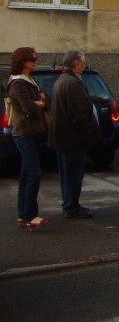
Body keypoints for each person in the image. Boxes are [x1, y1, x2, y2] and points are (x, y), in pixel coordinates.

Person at [48, 50, 101, 219]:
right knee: (73, 174)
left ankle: (69, 204)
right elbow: (78, 114)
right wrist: (89, 132)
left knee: (67, 174)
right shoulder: (72, 84)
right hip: (72, 138)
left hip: (63, 137)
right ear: (75, 63)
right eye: (83, 63)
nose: (84, 66)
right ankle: (71, 206)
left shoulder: (62, 81)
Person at [8, 47, 51, 230]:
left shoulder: (29, 80)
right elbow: (28, 108)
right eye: (32, 59)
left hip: (32, 131)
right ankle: (29, 215)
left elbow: (47, 99)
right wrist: (39, 102)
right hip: (24, 132)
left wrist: (41, 102)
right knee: (34, 173)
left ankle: (23, 214)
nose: (35, 61)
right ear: (23, 61)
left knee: (26, 174)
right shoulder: (18, 83)